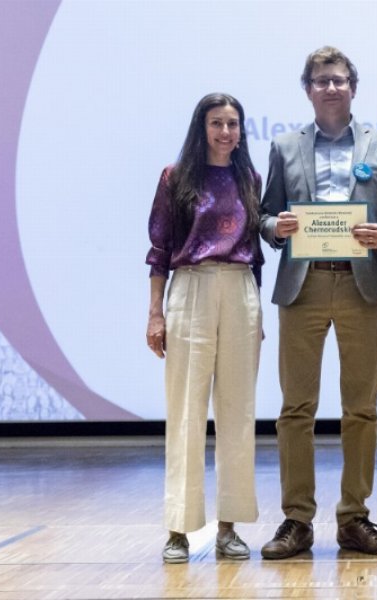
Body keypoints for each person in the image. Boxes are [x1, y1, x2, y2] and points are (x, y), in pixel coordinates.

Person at [258, 46, 377, 559]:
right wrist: (274, 228)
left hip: (360, 284)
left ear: (353, 87)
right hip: (302, 286)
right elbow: (265, 217)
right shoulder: (283, 146)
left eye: (339, 80)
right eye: (321, 80)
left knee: (361, 408)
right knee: (295, 408)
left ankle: (354, 518)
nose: (330, 88)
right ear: (308, 89)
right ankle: (296, 520)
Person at [145, 93, 264, 564]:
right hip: (189, 288)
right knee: (187, 411)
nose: (226, 132)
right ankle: (178, 529)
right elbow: (158, 251)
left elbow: (255, 252)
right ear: (202, 128)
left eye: (233, 123)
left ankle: (229, 529)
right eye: (217, 123)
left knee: (238, 412)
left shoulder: (250, 178)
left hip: (240, 292)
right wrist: (155, 313)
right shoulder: (176, 179)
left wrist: (257, 315)